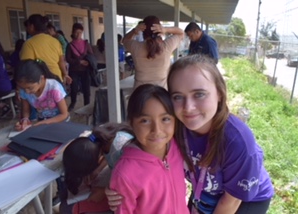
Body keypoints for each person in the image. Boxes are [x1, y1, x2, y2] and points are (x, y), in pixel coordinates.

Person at [106, 54, 274, 214]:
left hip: (244, 200)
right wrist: (119, 186)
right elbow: (140, 145)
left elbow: (230, 203)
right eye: (178, 97)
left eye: (199, 94)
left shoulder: (238, 141)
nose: (188, 107)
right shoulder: (175, 124)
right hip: (205, 191)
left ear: (220, 94)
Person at [109, 84, 189, 213]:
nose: (156, 130)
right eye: (145, 121)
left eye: (165, 119)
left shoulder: (177, 146)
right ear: (131, 123)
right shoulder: (125, 173)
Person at [61, 122, 134, 214]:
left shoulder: (122, 148)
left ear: (98, 158)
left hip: (134, 191)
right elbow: (110, 154)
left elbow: (134, 183)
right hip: (119, 176)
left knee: (68, 209)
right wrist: (97, 170)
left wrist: (104, 191)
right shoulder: (98, 138)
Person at [122, 15, 183, 89]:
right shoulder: (167, 46)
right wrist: (165, 29)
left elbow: (125, 40)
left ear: (143, 31)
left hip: (139, 94)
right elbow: (181, 33)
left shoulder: (135, 47)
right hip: (161, 93)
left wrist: (134, 31)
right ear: (159, 30)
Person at [14, 59, 69, 131]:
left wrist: (43, 123)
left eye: (30, 88)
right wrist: (25, 120)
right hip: (42, 121)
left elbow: (64, 114)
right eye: (23, 88)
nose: (26, 92)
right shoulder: (24, 90)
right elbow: (26, 110)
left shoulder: (54, 88)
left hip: (60, 123)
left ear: (41, 78)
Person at [20, 14, 71, 85]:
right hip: (57, 78)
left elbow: (27, 64)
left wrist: (38, 60)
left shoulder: (29, 43)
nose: (27, 29)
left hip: (41, 81)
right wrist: (65, 74)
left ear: (32, 26)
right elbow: (61, 61)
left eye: (27, 26)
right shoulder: (55, 41)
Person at [65, 23, 94, 111]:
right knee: (74, 88)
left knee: (86, 89)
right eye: (76, 32)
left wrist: (88, 62)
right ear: (73, 32)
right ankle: (73, 102)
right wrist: (79, 61)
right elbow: (68, 59)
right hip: (74, 70)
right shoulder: (70, 45)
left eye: (80, 33)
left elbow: (91, 55)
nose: (78, 35)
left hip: (85, 70)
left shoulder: (85, 44)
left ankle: (87, 105)